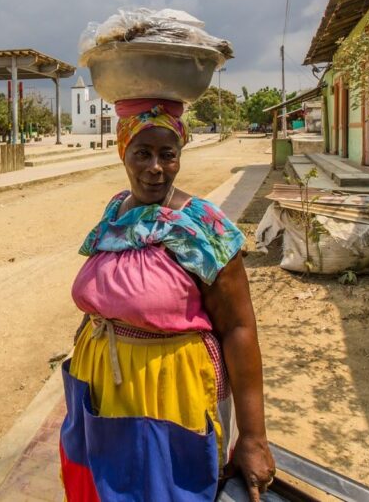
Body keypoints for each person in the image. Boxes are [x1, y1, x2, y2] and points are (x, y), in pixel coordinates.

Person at [59, 98, 275, 501]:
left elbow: (240, 328)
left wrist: (254, 437)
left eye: (167, 155)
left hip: (170, 392)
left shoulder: (204, 226)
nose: (155, 167)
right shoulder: (115, 210)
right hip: (101, 386)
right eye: (142, 153)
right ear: (123, 153)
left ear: (179, 157)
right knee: (101, 486)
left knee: (165, 490)